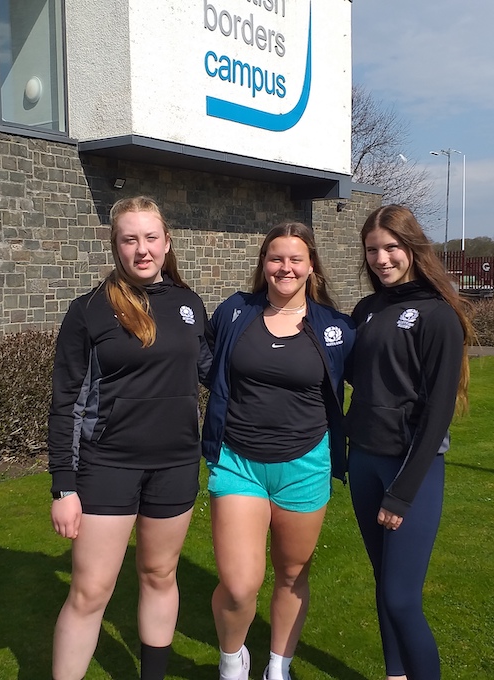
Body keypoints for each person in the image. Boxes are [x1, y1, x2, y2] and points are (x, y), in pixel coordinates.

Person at [47, 196, 211, 680]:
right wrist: (64, 485)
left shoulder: (188, 303)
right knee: (91, 591)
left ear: (167, 242)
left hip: (177, 465)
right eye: (130, 239)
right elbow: (65, 402)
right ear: (115, 245)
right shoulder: (89, 311)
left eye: (151, 238)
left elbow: (214, 372)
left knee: (159, 576)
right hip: (107, 467)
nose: (142, 249)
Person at [201, 222, 356, 680]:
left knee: (291, 575)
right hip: (238, 462)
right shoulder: (235, 311)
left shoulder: (334, 327)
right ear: (263, 264)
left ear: (311, 266)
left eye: (295, 259)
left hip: (305, 463)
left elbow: (374, 377)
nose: (284, 267)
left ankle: (278, 666)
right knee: (238, 584)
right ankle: (233, 661)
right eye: (275, 258)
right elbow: (203, 356)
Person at [345, 205, 475, 680]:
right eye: (373, 250)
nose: (382, 258)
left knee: (401, 598)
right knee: (384, 587)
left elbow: (438, 412)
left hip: (409, 471)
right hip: (363, 463)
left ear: (412, 248)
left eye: (392, 247)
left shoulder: (436, 314)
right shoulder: (366, 310)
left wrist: (402, 492)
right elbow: (359, 384)